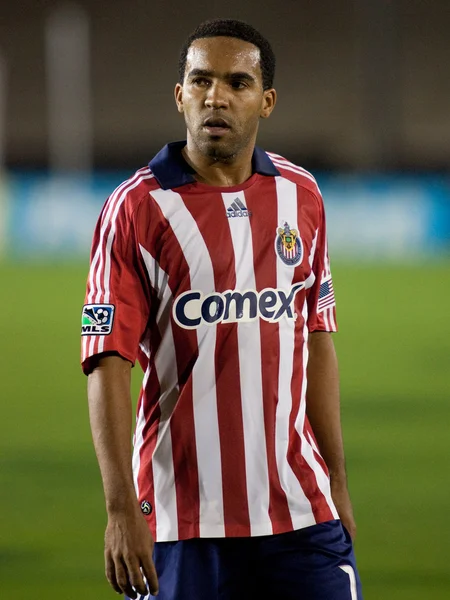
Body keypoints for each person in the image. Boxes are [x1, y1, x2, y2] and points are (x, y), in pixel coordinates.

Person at [81, 18, 363, 600]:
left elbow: (317, 340)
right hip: (182, 521)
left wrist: (335, 480)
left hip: (300, 511)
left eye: (238, 82)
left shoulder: (301, 195)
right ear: (179, 95)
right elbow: (107, 362)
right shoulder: (136, 209)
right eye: (201, 80)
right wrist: (120, 509)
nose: (217, 96)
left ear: (267, 101)